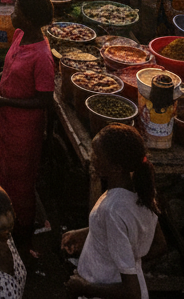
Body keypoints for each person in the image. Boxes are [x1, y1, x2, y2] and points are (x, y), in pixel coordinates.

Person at [0, 0, 55, 256]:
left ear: (30, 19)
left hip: (23, 131)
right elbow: (11, 65)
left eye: (16, 12)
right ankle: (1, 225)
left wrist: (5, 101)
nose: (11, 16)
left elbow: (44, 99)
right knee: (1, 173)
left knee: (21, 185)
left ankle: (23, 242)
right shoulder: (19, 36)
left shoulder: (43, 56)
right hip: (5, 123)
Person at [61, 125, 167, 299]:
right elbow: (159, 244)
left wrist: (84, 287)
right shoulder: (142, 192)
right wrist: (91, 233)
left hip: (103, 289)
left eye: (97, 155)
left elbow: (132, 293)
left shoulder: (112, 210)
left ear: (117, 168)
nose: (91, 157)